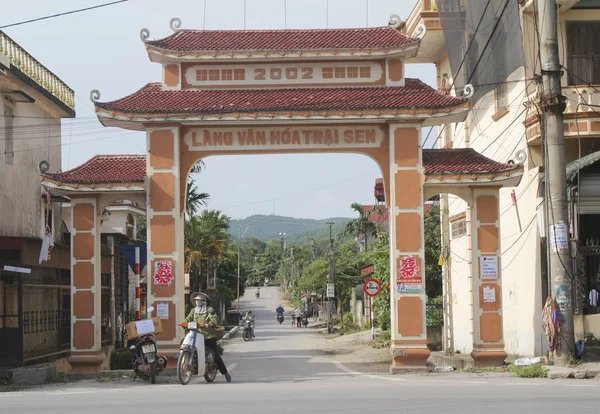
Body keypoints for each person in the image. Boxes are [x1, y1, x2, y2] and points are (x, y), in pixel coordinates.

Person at [185, 293, 232, 383]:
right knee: (185, 343)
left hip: (208, 336)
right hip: (195, 335)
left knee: (215, 355)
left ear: (204, 301)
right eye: (196, 300)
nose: (197, 302)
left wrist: (209, 324)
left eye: (199, 300)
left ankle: (225, 372)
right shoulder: (193, 311)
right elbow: (187, 319)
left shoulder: (209, 310)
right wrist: (184, 323)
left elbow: (214, 320)